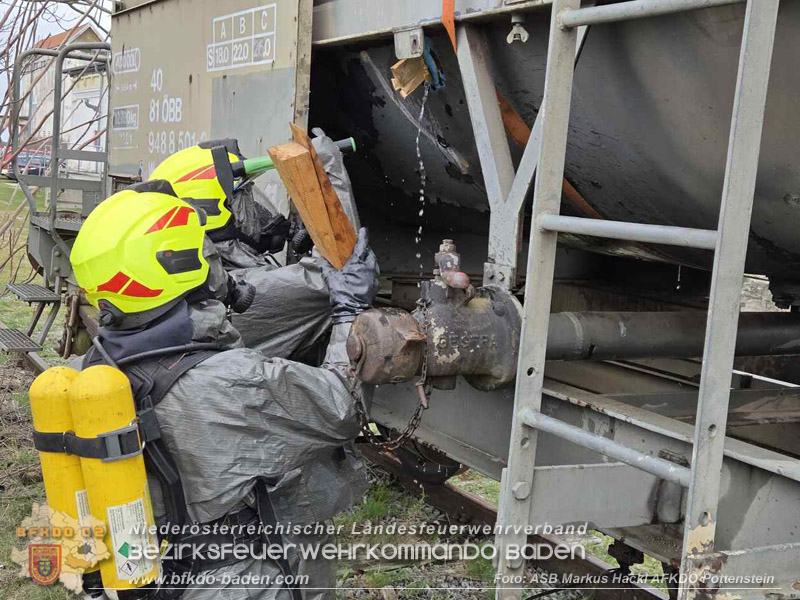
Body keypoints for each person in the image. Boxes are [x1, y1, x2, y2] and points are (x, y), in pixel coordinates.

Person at [69, 184, 379, 599]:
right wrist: (350, 313)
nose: (214, 258)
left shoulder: (97, 367)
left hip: (152, 576)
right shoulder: (227, 380)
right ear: (175, 263)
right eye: (203, 249)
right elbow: (340, 408)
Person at [148, 132, 360, 360]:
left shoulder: (203, 278)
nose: (259, 210)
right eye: (245, 199)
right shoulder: (237, 290)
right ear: (213, 213)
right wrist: (329, 172)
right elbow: (345, 277)